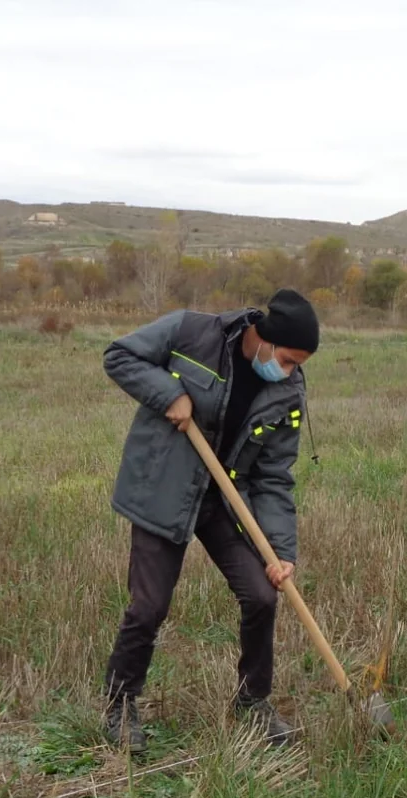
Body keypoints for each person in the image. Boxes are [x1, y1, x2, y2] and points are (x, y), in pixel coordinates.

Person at [101, 288, 320, 751]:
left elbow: (275, 477)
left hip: (224, 499)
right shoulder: (191, 332)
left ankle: (252, 701)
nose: (289, 371)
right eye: (285, 359)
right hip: (167, 485)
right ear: (262, 337)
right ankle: (120, 705)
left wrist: (281, 553)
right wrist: (169, 394)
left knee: (263, 594)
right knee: (149, 606)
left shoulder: (288, 391)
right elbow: (119, 356)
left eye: (298, 364)